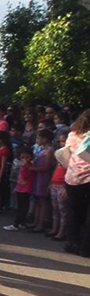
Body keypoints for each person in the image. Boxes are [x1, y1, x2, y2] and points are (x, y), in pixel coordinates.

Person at [63, 110, 90, 256]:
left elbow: (66, 154)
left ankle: (73, 243)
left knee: (74, 212)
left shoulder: (72, 135)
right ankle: (86, 248)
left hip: (72, 177)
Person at [4, 147, 35, 231]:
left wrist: (25, 166)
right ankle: (22, 223)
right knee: (21, 206)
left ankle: (16, 224)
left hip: (26, 189)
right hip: (20, 188)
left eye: (27, 157)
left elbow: (25, 176)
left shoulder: (30, 166)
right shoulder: (24, 166)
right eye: (22, 157)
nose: (25, 159)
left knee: (21, 207)